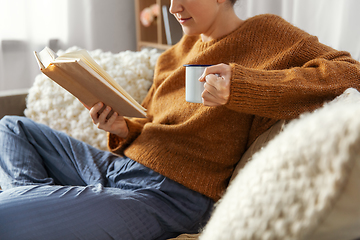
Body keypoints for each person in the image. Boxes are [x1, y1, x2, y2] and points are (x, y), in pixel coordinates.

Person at [0, 0, 360, 239]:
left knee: (7, 215)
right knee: (11, 127)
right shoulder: (172, 57)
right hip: (118, 168)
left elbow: (349, 72)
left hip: (168, 196)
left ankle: (46, 204)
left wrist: (243, 86)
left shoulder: (267, 33)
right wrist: (122, 128)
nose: (173, 7)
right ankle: (53, 202)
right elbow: (154, 126)